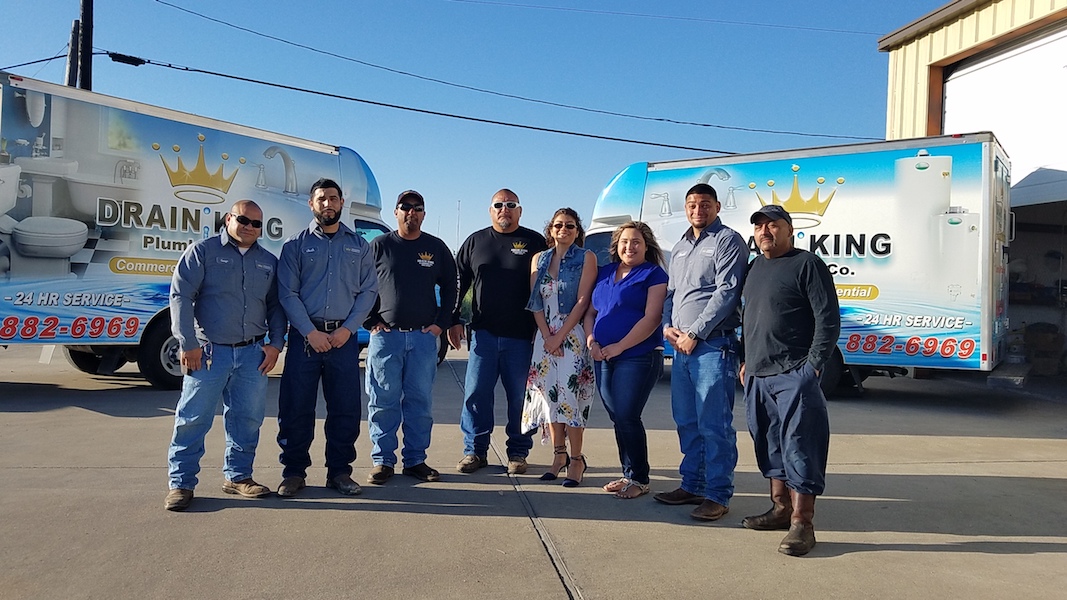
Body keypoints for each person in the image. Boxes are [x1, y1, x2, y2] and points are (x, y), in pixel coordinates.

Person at [164, 200, 286, 511]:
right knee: (193, 419)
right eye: (244, 220)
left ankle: (239, 477)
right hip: (207, 353)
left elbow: (275, 307)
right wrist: (187, 342)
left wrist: (275, 344)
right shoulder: (202, 253)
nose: (250, 227)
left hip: (252, 355)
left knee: (247, 419)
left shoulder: (269, 262)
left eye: (257, 224)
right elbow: (181, 296)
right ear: (229, 218)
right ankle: (181, 483)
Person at [740, 204, 840, 557]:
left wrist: (811, 367)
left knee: (801, 446)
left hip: (793, 374)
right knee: (768, 444)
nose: (765, 232)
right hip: (757, 373)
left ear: (789, 230)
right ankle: (779, 509)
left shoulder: (808, 265)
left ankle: (802, 523)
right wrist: (745, 360)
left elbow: (827, 319)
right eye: (759, 227)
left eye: (773, 226)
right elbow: (748, 318)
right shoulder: (755, 268)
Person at [275, 178, 378, 497]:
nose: (328, 204)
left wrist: (347, 329)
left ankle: (340, 472)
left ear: (341, 203)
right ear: (311, 204)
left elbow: (369, 291)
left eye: (333, 198)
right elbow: (287, 293)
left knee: (346, 408)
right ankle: (293, 473)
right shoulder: (294, 245)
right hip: (305, 340)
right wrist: (310, 332)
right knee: (295, 408)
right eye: (321, 199)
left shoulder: (359, 246)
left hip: (343, 341)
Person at [657, 183, 748, 521]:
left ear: (718, 206)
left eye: (705, 204)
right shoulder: (680, 246)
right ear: (685, 208)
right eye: (692, 204)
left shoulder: (727, 241)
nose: (698, 210)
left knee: (715, 424)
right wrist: (668, 325)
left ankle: (718, 494)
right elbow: (671, 292)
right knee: (687, 421)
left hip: (712, 347)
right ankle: (692, 484)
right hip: (681, 349)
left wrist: (695, 332)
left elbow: (727, 292)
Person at [448, 189, 548, 475]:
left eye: (511, 205)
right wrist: (455, 320)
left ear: (520, 210)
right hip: (483, 335)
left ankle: (518, 452)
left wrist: (543, 330)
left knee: (520, 398)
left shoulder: (535, 243)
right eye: (499, 205)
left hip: (522, 336)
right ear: (490, 210)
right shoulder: (474, 242)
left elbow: (545, 286)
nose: (505, 209)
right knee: (476, 394)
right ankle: (475, 452)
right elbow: (461, 287)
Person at [363, 190, 457, 485]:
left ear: (423, 214)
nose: (411, 212)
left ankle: (415, 460)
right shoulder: (379, 246)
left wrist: (442, 324)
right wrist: (370, 321)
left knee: (419, 402)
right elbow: (360, 284)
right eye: (406, 207)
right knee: (383, 400)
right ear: (396, 212)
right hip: (386, 338)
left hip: (422, 339)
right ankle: (383, 461)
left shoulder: (436, 248)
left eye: (417, 208)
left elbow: (453, 287)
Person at [582, 221, 668, 499]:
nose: (629, 247)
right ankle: (628, 473)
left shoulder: (654, 274)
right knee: (617, 416)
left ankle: (640, 479)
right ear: (616, 246)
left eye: (636, 242)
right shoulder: (604, 273)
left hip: (637, 356)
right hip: (602, 354)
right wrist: (591, 341)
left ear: (646, 246)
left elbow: (652, 318)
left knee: (628, 415)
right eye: (624, 242)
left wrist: (620, 346)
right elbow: (590, 313)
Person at [520, 208, 598, 486]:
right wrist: (546, 335)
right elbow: (535, 301)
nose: (563, 229)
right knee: (550, 397)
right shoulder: (538, 259)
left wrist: (559, 336)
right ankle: (558, 456)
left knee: (570, 398)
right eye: (558, 225)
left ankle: (576, 460)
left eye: (570, 225)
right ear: (550, 230)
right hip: (544, 337)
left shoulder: (586, 258)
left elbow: (582, 301)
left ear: (577, 231)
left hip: (571, 334)